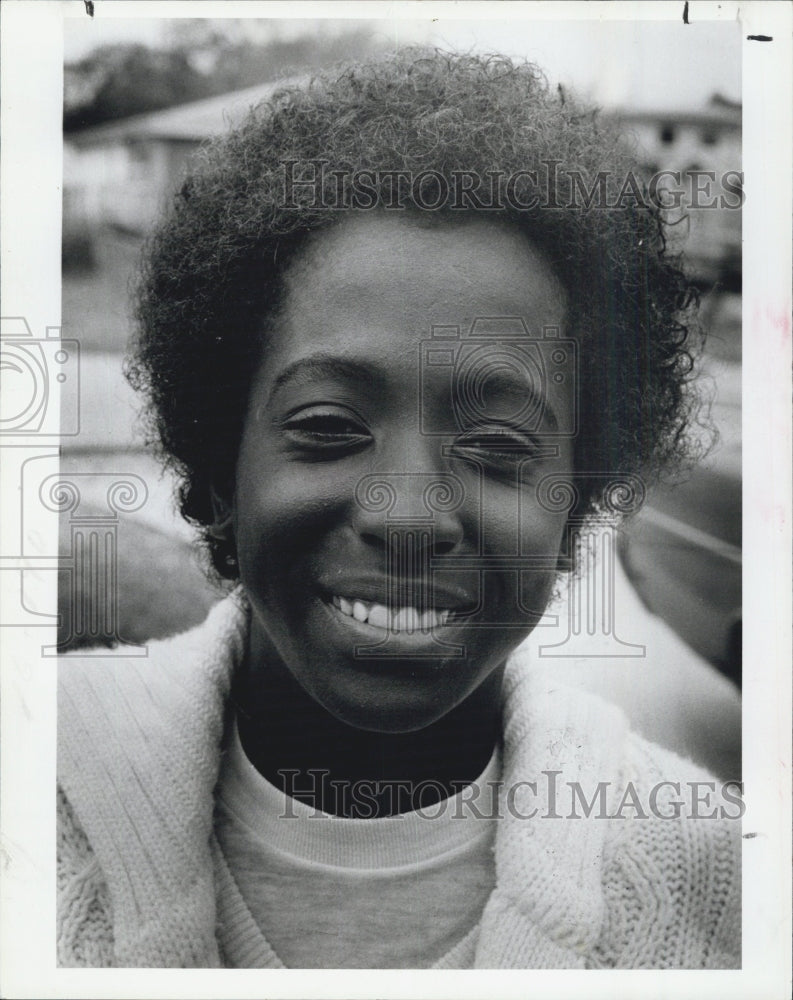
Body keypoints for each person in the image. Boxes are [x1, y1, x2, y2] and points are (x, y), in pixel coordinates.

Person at [57, 49, 741, 969]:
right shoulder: (43, 784)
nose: (409, 515)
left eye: (497, 448)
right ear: (221, 465)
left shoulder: (719, 882)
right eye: (330, 425)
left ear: (577, 499)